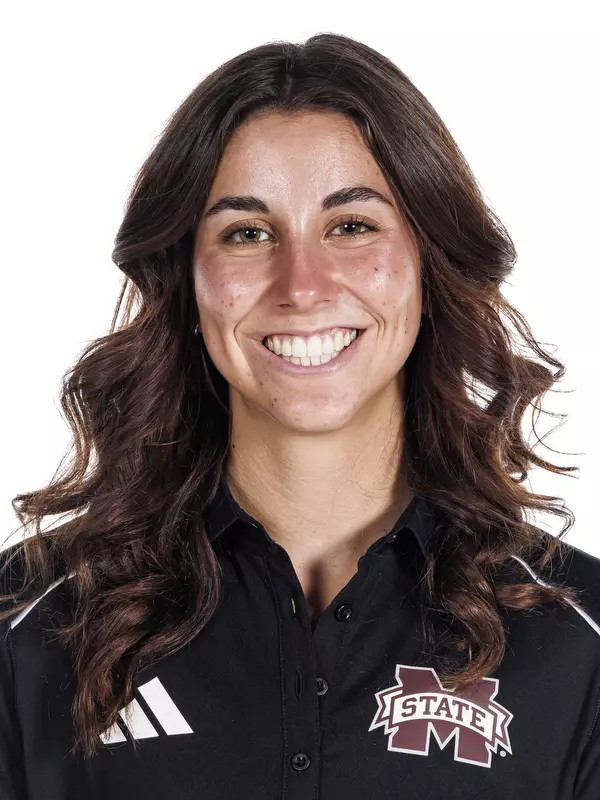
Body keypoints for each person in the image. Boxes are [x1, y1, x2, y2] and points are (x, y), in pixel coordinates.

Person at [1, 31, 598, 800]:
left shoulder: (575, 641)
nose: (303, 285)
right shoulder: (31, 628)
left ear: (428, 262)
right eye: (247, 233)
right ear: (186, 282)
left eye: (352, 226)